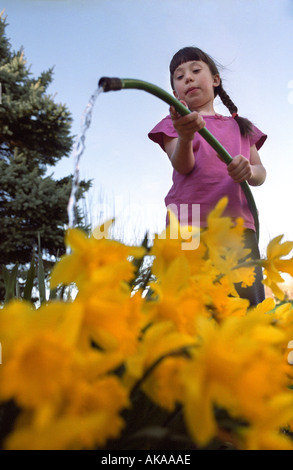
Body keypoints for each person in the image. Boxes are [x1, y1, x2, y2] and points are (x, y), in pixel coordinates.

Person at [148, 46, 267, 306]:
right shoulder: (174, 124)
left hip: (236, 225)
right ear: (174, 93)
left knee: (244, 301)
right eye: (179, 77)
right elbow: (182, 165)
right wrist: (186, 135)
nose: (187, 78)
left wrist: (249, 170)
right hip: (187, 222)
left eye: (195, 70)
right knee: (182, 299)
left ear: (215, 80)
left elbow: (260, 172)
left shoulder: (241, 127)